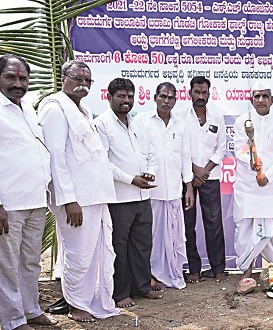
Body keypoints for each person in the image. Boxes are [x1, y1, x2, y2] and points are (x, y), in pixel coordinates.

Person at [39, 60, 120, 323]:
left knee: (96, 251)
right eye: (77, 78)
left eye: (87, 80)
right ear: (63, 78)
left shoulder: (84, 112)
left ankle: (94, 299)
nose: (83, 84)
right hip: (76, 200)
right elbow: (56, 159)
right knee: (78, 254)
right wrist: (68, 200)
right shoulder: (55, 109)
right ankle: (76, 304)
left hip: (95, 196)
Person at [0, 54, 56, 330]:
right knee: (5, 266)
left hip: (35, 201)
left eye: (23, 78)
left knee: (30, 262)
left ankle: (31, 309)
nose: (18, 83)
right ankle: (13, 321)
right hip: (6, 205)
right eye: (11, 77)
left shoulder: (27, 108)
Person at [94, 78, 163, 308]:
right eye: (121, 96)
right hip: (120, 198)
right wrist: (131, 179)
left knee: (142, 245)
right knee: (119, 247)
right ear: (109, 97)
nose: (126, 101)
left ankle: (142, 287)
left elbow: (152, 153)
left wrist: (150, 173)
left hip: (143, 197)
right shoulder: (101, 124)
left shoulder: (137, 124)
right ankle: (121, 293)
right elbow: (103, 163)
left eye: (130, 96)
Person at [232, 83, 273, 293]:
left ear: (272, 99)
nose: (261, 100)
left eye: (265, 96)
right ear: (251, 100)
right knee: (245, 229)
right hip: (248, 186)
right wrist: (250, 163)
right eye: (257, 96)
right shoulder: (243, 121)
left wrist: (268, 175)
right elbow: (239, 149)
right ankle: (247, 274)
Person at [135, 82, 195, 290]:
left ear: (176, 100)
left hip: (174, 192)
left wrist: (188, 187)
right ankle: (151, 276)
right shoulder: (141, 121)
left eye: (170, 98)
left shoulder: (180, 124)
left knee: (173, 236)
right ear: (154, 97)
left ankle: (171, 272)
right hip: (151, 191)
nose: (166, 101)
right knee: (150, 237)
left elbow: (185, 158)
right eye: (162, 96)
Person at [180, 76, 228, 283]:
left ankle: (218, 269)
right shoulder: (179, 115)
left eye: (204, 93)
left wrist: (204, 172)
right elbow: (178, 147)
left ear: (209, 93)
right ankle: (194, 270)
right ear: (189, 93)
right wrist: (194, 171)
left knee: (214, 223)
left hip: (211, 176)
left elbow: (222, 148)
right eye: (197, 92)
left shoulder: (217, 115)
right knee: (187, 224)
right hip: (186, 177)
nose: (200, 96)